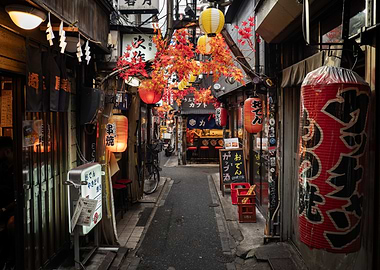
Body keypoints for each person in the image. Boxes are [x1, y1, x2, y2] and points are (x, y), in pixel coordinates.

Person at [0, 137, 15, 269]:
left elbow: (20, 197)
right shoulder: (2, 166)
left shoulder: (19, 167)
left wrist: (5, 209)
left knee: (12, 225)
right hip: (3, 207)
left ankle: (11, 258)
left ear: (6, 151)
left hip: (14, 208)